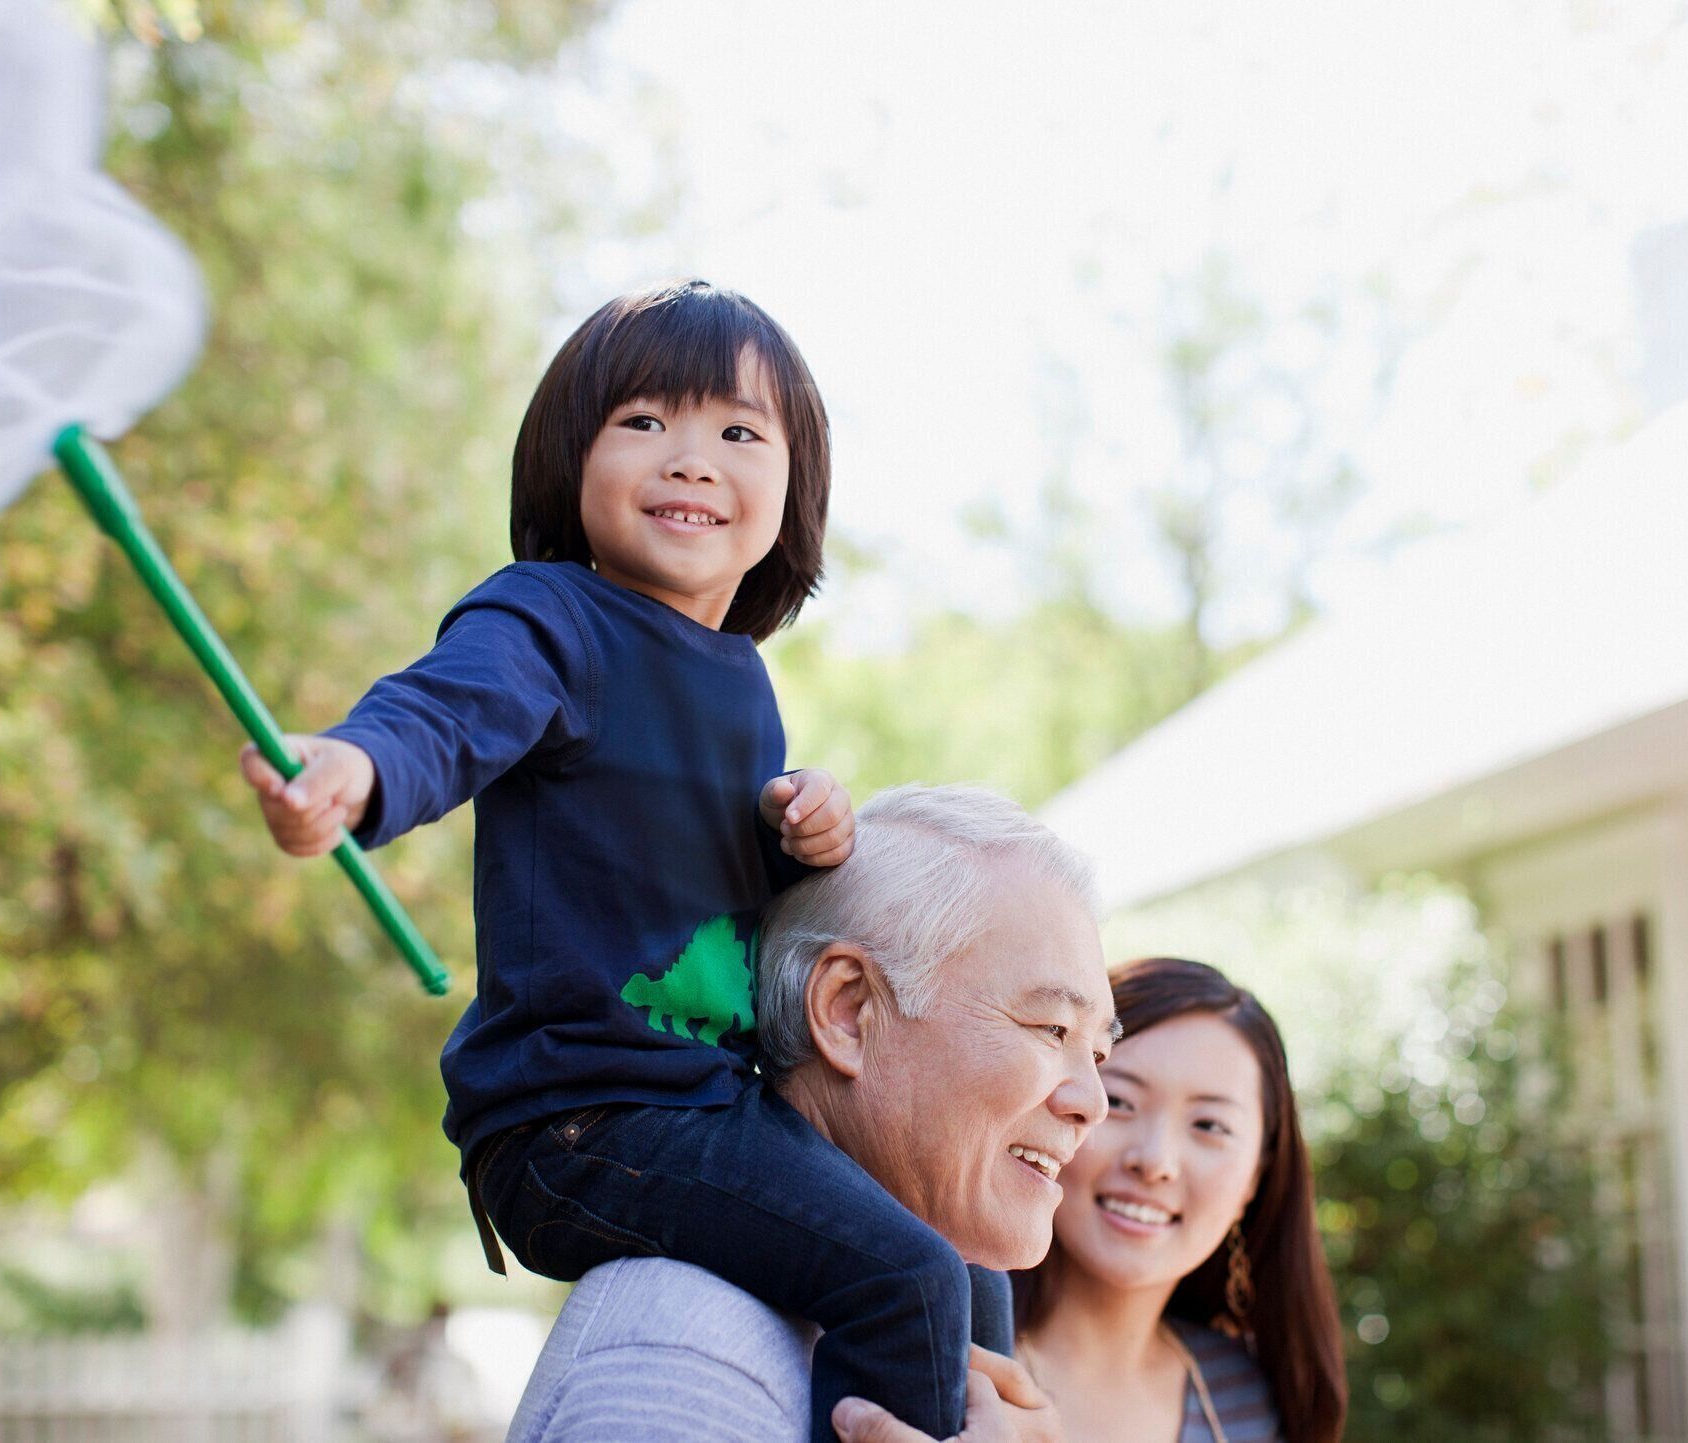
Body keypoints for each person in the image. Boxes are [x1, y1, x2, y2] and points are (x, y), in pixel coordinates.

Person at [235, 281, 992, 1443]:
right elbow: (449, 710)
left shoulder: (740, 679)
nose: (691, 458)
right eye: (643, 421)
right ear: (567, 460)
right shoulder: (549, 620)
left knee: (966, 1245)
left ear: (794, 490)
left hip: (708, 1103)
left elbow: (715, 903)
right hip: (580, 1123)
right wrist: (358, 767)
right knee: (910, 1281)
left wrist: (805, 835)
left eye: (738, 433)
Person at [507, 783, 1117, 1443]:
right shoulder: (682, 1361)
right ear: (849, 1011)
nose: (1094, 1103)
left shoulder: (944, 1313)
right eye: (1052, 1028)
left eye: (1099, 1053)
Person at [1012, 958, 1347, 1443]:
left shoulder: (1250, 1399)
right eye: (1120, 1102)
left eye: (1209, 1125)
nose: (1155, 1162)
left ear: (1256, 1177)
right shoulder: (945, 1357)